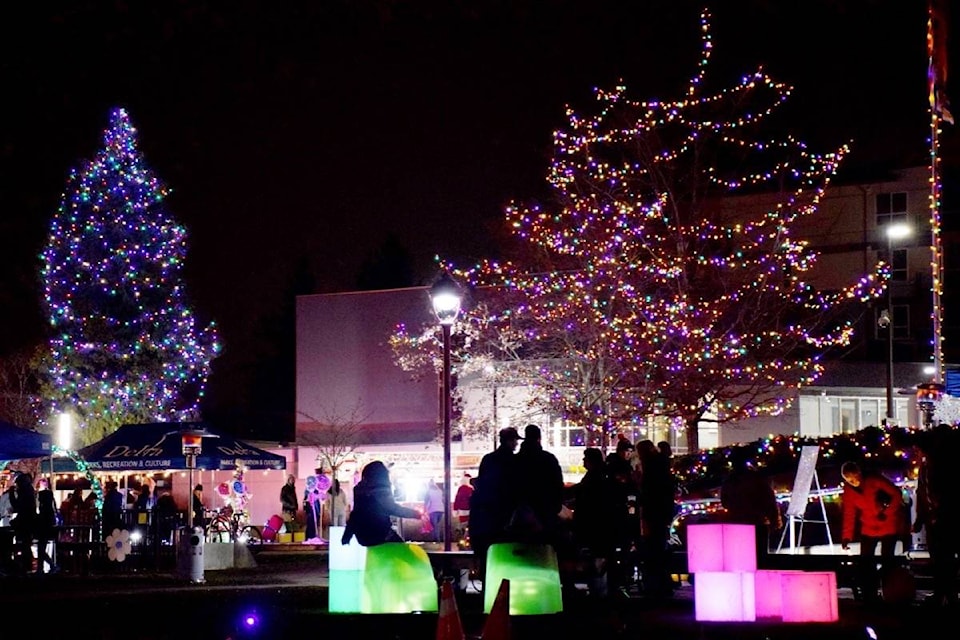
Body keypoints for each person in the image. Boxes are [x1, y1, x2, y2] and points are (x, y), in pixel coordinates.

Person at [840, 460, 910, 603]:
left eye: (855, 478)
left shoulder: (874, 480)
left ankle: (889, 592)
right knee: (865, 562)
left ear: (859, 473)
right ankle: (869, 594)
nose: (854, 482)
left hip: (888, 525)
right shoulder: (849, 491)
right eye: (849, 480)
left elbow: (896, 494)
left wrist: (887, 513)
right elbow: (849, 513)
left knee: (887, 560)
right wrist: (847, 536)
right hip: (868, 528)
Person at [912, 424, 960, 607]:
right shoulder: (928, 465)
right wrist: (921, 517)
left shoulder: (943, 465)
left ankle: (948, 594)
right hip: (937, 518)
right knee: (941, 559)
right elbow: (922, 492)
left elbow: (932, 492)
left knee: (944, 558)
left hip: (946, 517)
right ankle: (945, 594)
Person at [720, 447, 782, 567]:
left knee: (740, 561)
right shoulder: (756, 479)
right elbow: (769, 500)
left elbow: (725, 502)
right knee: (760, 560)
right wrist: (774, 520)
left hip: (737, 525)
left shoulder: (730, 481)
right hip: (757, 524)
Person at [469, 427, 523, 566]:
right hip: (504, 518)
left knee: (486, 559)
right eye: (515, 440)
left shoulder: (488, 459)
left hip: (486, 519)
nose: (516, 444)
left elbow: (483, 483)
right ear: (509, 441)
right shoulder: (514, 461)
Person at [572, 447, 617, 598]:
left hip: (595, 528)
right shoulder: (601, 477)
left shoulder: (594, 479)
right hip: (601, 527)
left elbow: (585, 500)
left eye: (586, 459)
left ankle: (600, 594)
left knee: (596, 561)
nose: (583, 461)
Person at [341, 460, 421, 546]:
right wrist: (416, 514)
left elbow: (356, 513)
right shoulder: (381, 489)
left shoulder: (358, 489)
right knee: (403, 550)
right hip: (380, 533)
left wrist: (347, 535)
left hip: (362, 536)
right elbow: (392, 508)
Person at [635, 439, 677, 599]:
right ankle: (662, 584)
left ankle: (656, 586)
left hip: (654, 514)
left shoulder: (651, 470)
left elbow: (649, 494)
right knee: (659, 549)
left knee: (653, 550)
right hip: (661, 514)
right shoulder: (661, 467)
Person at [513, 424, 564, 547]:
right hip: (545, 510)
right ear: (539, 438)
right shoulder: (548, 459)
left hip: (521, 511)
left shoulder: (516, 460)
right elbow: (557, 484)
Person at [10, 472, 37, 574]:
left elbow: (17, 506)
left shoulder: (24, 494)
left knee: (23, 544)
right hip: (29, 522)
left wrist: (11, 494)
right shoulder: (29, 492)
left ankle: (24, 566)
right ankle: (26, 565)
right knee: (26, 545)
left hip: (24, 523)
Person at [35, 477, 59, 574]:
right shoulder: (50, 511)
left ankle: (48, 566)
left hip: (43, 528)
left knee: (41, 548)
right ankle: (45, 567)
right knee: (42, 548)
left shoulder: (43, 511)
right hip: (48, 527)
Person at [423, 478, 445, 543]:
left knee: (434, 526)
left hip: (433, 510)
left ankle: (436, 540)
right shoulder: (440, 491)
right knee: (437, 525)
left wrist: (425, 510)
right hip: (441, 510)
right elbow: (443, 500)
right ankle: (437, 539)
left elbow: (426, 501)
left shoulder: (429, 492)